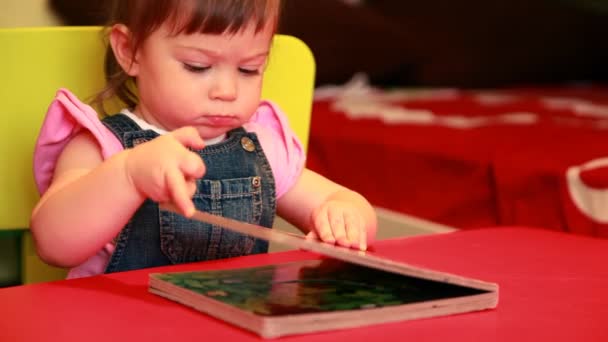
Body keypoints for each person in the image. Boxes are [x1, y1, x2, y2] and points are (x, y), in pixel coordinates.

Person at [30, 0, 377, 279]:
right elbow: (52, 243)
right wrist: (128, 175)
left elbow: (341, 200)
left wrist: (345, 216)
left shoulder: (262, 149)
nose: (227, 91)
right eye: (197, 66)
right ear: (130, 51)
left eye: (249, 69)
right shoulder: (102, 145)